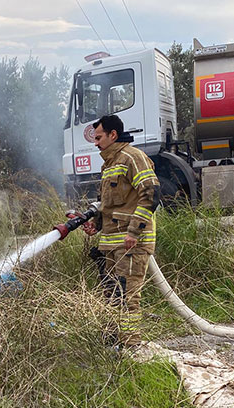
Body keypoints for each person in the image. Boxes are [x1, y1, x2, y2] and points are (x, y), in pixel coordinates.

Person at [80, 114, 161, 347]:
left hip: (130, 245)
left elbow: (151, 194)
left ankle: (130, 346)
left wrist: (134, 232)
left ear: (113, 135)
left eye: (99, 138)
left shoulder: (132, 158)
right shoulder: (109, 164)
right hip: (111, 244)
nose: (96, 143)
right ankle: (113, 344)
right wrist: (95, 224)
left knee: (127, 297)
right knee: (112, 295)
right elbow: (111, 205)